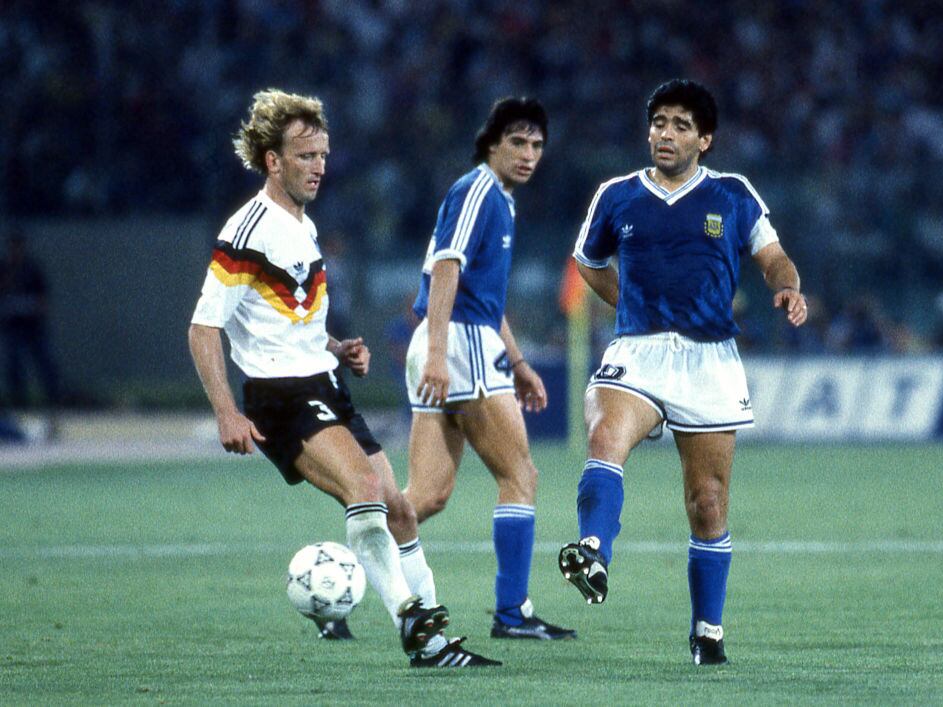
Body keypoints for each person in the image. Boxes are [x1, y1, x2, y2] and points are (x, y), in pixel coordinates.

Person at [187, 88, 498, 668]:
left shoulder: (301, 224)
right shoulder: (248, 228)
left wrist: (335, 346)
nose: (319, 167)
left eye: (323, 155)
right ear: (272, 161)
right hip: (281, 397)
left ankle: (437, 645)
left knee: (398, 508)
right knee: (364, 489)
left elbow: (280, 317)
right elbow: (204, 328)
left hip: (324, 386)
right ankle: (411, 620)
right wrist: (227, 412)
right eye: (305, 156)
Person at [558, 79, 808, 666]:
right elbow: (588, 262)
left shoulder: (732, 194)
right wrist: (628, 306)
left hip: (709, 360)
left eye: (679, 125)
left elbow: (772, 257)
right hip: (638, 351)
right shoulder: (617, 196)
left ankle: (707, 631)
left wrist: (788, 288)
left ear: (705, 138)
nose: (665, 134)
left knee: (708, 502)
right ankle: (593, 550)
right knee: (604, 437)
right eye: (659, 123)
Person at [404, 97, 575, 641]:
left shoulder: (497, 198)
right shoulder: (478, 190)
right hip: (458, 345)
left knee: (426, 496)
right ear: (492, 143)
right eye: (518, 142)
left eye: (537, 145)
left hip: (456, 341)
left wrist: (519, 361)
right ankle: (512, 614)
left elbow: (482, 293)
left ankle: (340, 574)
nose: (529, 154)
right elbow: (446, 268)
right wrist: (437, 353)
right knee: (520, 475)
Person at [0, 232, 62, 414]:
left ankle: (53, 400)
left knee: (45, 364)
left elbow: (43, 298)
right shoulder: (4, 269)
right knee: (14, 366)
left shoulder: (33, 269)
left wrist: (38, 311)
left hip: (33, 326)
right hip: (13, 326)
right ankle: (20, 402)